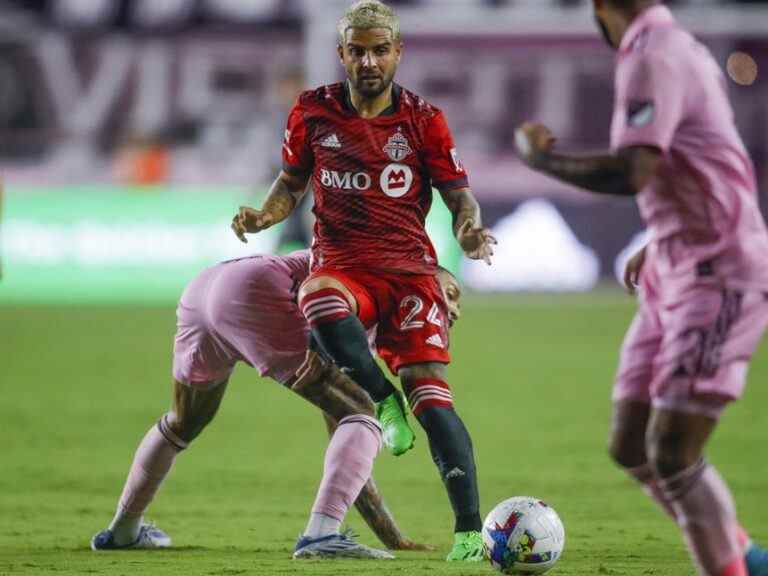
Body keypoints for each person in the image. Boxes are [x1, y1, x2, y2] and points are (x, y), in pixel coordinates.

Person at [231, 0, 495, 561]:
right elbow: (290, 182)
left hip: (409, 275)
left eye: (380, 49)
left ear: (398, 52)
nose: (369, 60)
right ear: (342, 54)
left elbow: (458, 193)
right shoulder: (312, 111)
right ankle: (382, 401)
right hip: (345, 268)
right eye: (358, 50)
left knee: (432, 397)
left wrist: (470, 228)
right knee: (317, 296)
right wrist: (264, 215)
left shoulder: (424, 119)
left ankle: (470, 531)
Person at [514, 2, 768, 575]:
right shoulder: (673, 50)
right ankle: (747, 558)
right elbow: (706, 160)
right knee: (631, 442)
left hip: (717, 271)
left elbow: (634, 170)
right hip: (674, 265)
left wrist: (543, 158)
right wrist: (663, 235)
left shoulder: (655, 56)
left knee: (674, 452)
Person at [90, 250, 462, 558]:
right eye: (452, 293)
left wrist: (391, 536)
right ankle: (320, 536)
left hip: (207, 289)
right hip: (258, 293)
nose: (455, 310)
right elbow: (355, 416)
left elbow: (343, 432)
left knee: (183, 421)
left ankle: (123, 530)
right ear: (428, 281)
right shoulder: (380, 293)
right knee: (366, 411)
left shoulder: (370, 296)